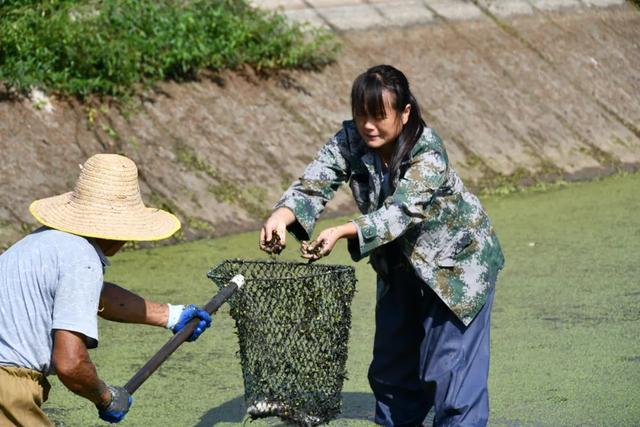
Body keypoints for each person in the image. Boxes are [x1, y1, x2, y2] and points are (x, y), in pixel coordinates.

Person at [259, 64, 505, 426]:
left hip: (456, 270)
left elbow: (400, 213)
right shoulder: (352, 139)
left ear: (405, 113)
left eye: (378, 116)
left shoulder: (427, 152)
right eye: (361, 116)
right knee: (390, 373)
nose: (368, 126)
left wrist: (342, 231)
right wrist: (282, 215)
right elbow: (315, 180)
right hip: (399, 265)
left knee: (450, 376)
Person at [0, 153, 213, 426]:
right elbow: (70, 363)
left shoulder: (40, 243)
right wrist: (105, 397)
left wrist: (172, 315)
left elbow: (96, 297)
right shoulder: (82, 259)